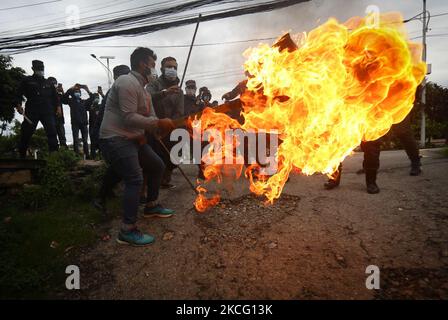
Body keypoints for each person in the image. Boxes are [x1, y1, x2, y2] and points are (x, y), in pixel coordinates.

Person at [99, 47, 175, 246]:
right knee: (135, 178)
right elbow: (129, 117)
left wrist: (158, 127)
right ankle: (127, 229)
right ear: (143, 64)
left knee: (157, 165)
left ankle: (151, 206)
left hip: (133, 139)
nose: (154, 68)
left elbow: (149, 117)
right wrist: (157, 124)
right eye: (152, 64)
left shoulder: (144, 91)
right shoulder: (126, 82)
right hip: (115, 139)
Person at [93, 65, 131, 213]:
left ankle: (105, 194)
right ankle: (100, 197)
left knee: (117, 167)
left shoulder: (120, 91)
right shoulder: (115, 92)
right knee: (120, 167)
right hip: (108, 137)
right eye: (122, 76)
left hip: (113, 136)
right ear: (115, 78)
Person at [146, 56, 184, 188]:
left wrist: (172, 124)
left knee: (175, 156)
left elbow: (179, 111)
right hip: (154, 126)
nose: (171, 69)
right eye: (168, 67)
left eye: (174, 67)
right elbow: (147, 98)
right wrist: (164, 93)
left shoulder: (179, 91)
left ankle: (166, 176)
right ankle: (149, 186)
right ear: (162, 69)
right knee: (155, 158)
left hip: (171, 127)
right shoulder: (154, 84)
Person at [15, 60, 60, 158]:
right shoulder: (27, 80)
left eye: (42, 69)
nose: (41, 70)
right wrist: (18, 105)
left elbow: (55, 97)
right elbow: (18, 94)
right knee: (26, 133)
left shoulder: (48, 82)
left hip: (47, 111)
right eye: (39, 69)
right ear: (33, 69)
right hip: (32, 111)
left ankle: (54, 155)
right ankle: (22, 155)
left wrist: (58, 107)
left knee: (52, 131)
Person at [62, 83, 94, 158]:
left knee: (85, 141)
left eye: (79, 91)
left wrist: (87, 90)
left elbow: (92, 98)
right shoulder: (71, 101)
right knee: (75, 140)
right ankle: (76, 156)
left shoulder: (84, 102)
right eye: (76, 91)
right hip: (75, 123)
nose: (77, 92)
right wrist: (71, 88)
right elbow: (63, 99)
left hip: (84, 124)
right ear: (73, 93)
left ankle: (88, 156)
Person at [48, 77, 67, 148]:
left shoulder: (59, 95)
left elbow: (65, 100)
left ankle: (64, 152)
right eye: (53, 84)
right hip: (51, 119)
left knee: (62, 137)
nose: (55, 85)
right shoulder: (47, 95)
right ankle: (54, 153)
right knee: (53, 137)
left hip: (60, 119)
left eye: (55, 84)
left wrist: (62, 91)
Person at [88, 92, 101, 159]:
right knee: (93, 142)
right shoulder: (90, 106)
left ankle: (100, 156)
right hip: (92, 127)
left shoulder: (100, 106)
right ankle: (93, 157)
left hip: (99, 127)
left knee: (100, 142)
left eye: (98, 97)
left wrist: (101, 93)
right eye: (96, 97)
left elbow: (107, 102)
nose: (97, 98)